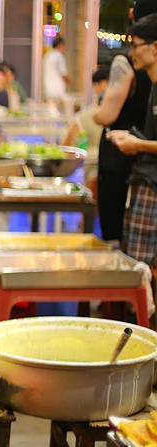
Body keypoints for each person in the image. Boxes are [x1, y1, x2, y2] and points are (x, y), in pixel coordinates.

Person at [93, 0, 157, 243]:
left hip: (127, 164)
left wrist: (96, 109)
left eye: (135, 45)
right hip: (144, 168)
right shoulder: (150, 78)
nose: (131, 51)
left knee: (122, 242)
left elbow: (106, 115)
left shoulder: (125, 62)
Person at [108, 14, 157, 286]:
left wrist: (137, 144)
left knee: (140, 274)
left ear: (155, 47)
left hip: (151, 186)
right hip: (145, 182)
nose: (130, 52)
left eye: (136, 45)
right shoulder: (152, 84)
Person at [42, 36, 71, 101]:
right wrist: (70, 82)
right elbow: (63, 74)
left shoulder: (47, 55)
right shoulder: (59, 57)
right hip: (57, 90)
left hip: (48, 88)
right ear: (60, 45)